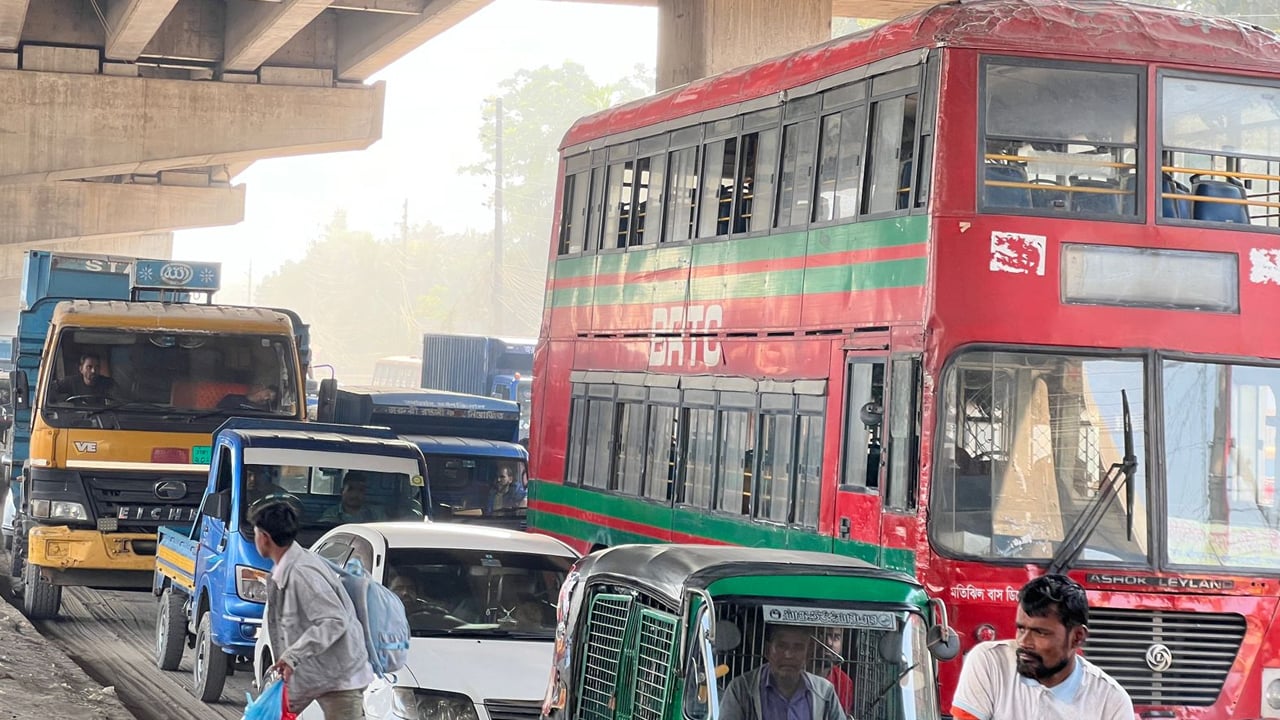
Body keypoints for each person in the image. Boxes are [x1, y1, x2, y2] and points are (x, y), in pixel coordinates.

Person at [950, 574, 1134, 720]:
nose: (1024, 642)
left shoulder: (1111, 703)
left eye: (1040, 632)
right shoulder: (989, 662)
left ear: (1077, 637)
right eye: (1021, 628)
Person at [253, 500, 373, 719]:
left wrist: (293, 656)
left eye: (255, 533)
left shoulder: (301, 572)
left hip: (339, 677)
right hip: (312, 673)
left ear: (265, 537)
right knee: (267, 714)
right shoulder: (289, 568)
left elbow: (334, 620)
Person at [720, 624, 847, 720]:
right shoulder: (741, 689)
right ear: (768, 650)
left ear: (808, 653)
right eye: (781, 646)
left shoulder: (824, 692)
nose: (789, 654)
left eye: (798, 647)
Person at [812, 627, 853, 714]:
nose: (829, 643)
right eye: (821, 635)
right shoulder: (794, 673)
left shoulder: (844, 682)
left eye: (836, 637)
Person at [320, 471, 386, 523]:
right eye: (350, 489)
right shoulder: (331, 514)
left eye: (361, 490)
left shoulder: (377, 513)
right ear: (342, 491)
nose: (355, 494)